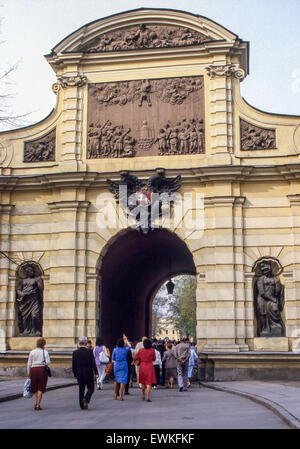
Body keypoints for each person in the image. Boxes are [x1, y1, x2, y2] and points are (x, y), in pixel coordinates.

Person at [72, 336, 98, 410]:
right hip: (88, 373)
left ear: (79, 343)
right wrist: (96, 373)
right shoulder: (89, 352)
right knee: (91, 388)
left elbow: (74, 365)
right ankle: (86, 399)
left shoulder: (75, 353)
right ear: (86, 343)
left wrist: (75, 374)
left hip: (79, 373)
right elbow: (93, 363)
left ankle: (82, 405)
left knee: (81, 389)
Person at [27, 337, 51, 410]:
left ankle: (35, 402)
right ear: (43, 344)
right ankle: (38, 404)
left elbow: (29, 363)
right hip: (42, 370)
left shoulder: (32, 352)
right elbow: (48, 362)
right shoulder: (45, 352)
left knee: (35, 387)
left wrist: (28, 373)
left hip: (33, 370)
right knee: (40, 388)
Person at [134, 338, 156, 402]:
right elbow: (154, 359)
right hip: (149, 366)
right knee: (149, 383)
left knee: (143, 382)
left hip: (142, 366)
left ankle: (143, 394)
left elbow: (135, 357)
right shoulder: (152, 350)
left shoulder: (141, 350)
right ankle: (148, 397)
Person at [112, 334, 131, 401]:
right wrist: (126, 339)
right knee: (123, 380)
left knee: (116, 379)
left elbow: (113, 359)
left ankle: (115, 393)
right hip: (124, 364)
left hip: (117, 364)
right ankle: (121, 395)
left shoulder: (115, 350)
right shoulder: (125, 349)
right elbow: (130, 346)